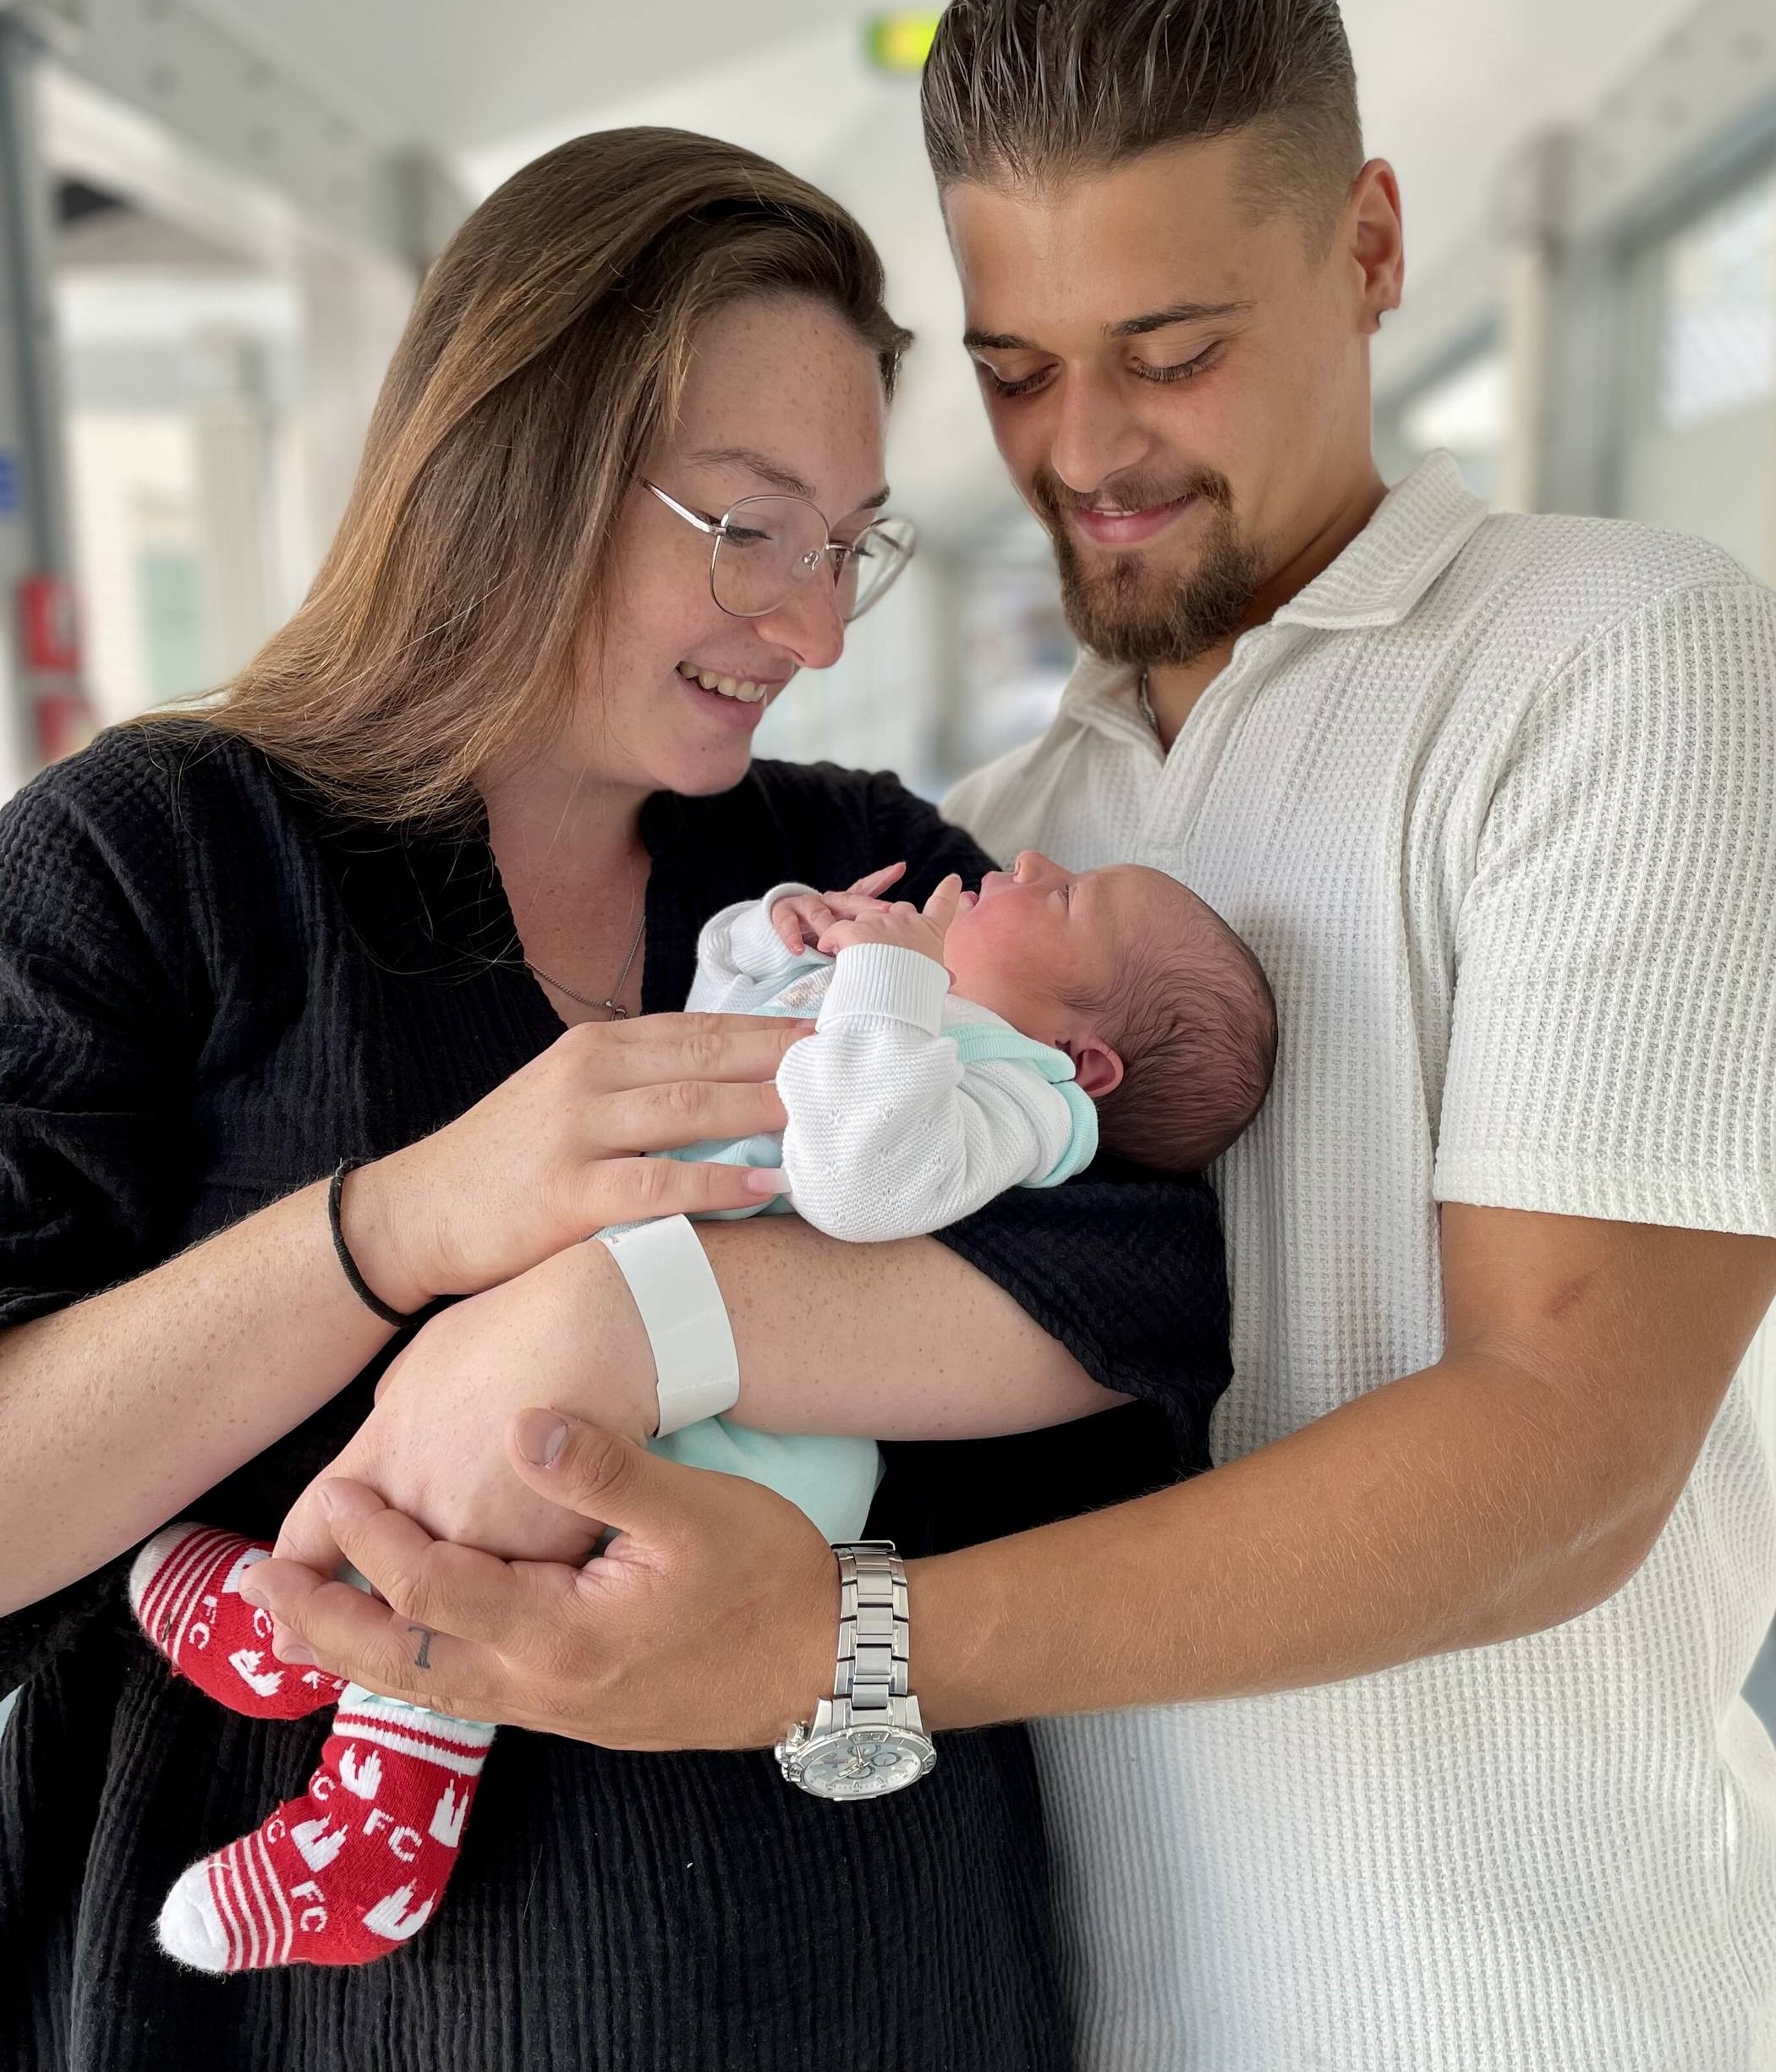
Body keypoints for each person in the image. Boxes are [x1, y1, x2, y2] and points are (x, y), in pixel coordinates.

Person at [241, 0, 1776, 2072]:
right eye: (1018, 369)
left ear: (1366, 246)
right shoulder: (999, 828)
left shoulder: (1613, 661)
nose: (1085, 453)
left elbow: (1564, 1457)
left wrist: (853, 1643)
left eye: (1169, 352)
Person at [0, 127, 1236, 2071]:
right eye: (754, 528)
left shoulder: (860, 868)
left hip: (887, 1992)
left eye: (849, 544)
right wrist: (394, 1227)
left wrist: (647, 1322)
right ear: (521, 457)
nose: (819, 626)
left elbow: (1146, 1287)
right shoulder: (157, 863)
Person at [127, 852, 1274, 1975]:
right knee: (480, 1453)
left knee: (512, 1504)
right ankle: (302, 1629)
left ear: (1087, 1057)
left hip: (738, 1451)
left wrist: (887, 982)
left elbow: (860, 1183)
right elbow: (712, 1021)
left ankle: (379, 1811)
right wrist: (780, 928)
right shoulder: (904, 1003)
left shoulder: (1022, 1098)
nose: (1026, 860)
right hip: (658, 1354)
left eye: (1066, 899)